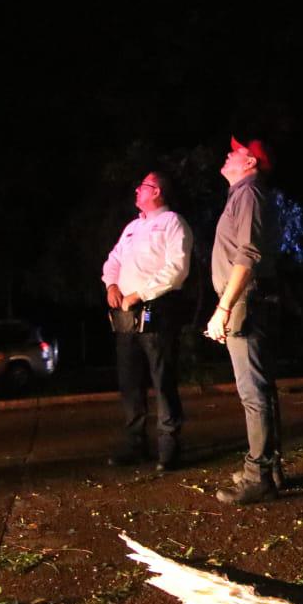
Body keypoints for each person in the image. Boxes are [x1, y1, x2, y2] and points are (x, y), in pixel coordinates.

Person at [206, 136, 284, 504]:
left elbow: (248, 254)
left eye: (235, 150)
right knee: (260, 388)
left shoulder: (249, 193)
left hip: (245, 301)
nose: (228, 152)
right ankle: (268, 469)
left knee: (253, 391)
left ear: (250, 161)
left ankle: (259, 477)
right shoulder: (242, 194)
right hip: (245, 300)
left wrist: (224, 307)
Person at [101, 170, 193, 471]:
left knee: (162, 378)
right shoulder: (131, 228)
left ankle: (169, 445)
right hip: (127, 315)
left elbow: (176, 269)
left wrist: (140, 293)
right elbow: (113, 260)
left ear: (157, 191)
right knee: (130, 381)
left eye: (142, 186)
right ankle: (135, 443)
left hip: (157, 310)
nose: (137, 190)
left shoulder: (173, 223)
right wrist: (112, 285)